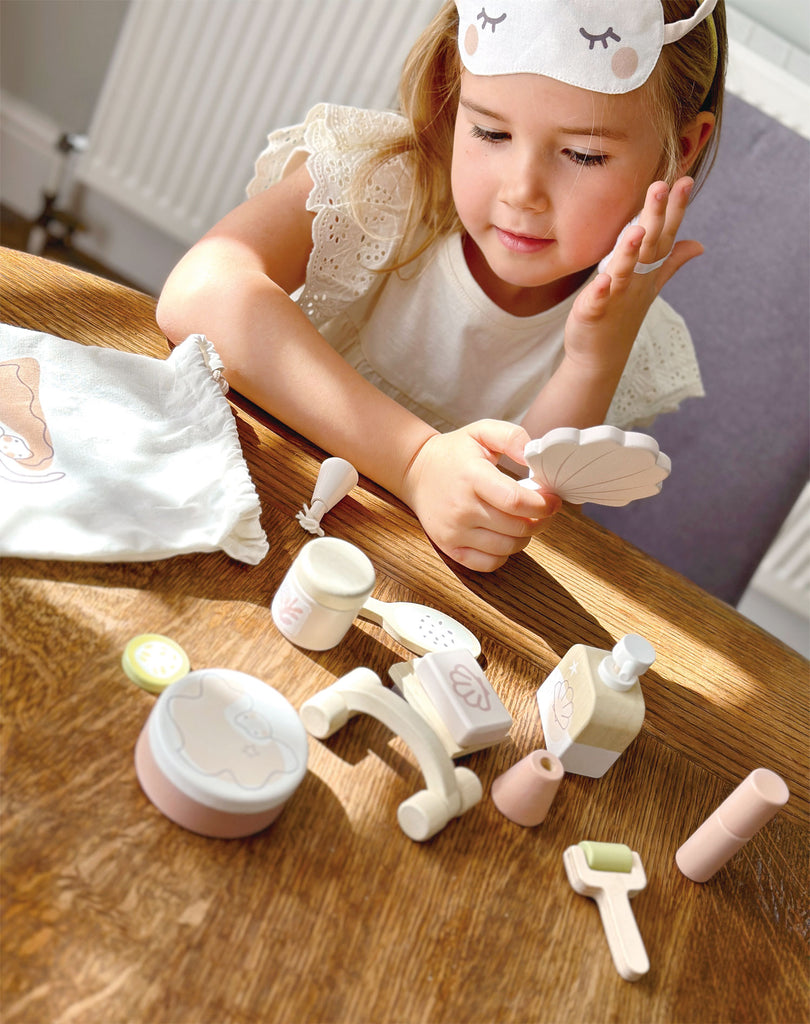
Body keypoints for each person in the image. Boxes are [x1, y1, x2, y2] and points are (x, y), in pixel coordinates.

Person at [157, 0, 726, 572]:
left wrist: (592, 362)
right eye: (490, 131)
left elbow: (503, 517)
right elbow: (200, 292)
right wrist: (416, 460)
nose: (522, 192)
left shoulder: (629, 335)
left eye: (584, 154)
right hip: (245, 501)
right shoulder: (381, 183)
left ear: (683, 148)